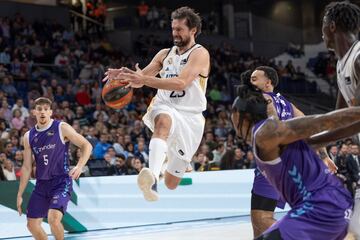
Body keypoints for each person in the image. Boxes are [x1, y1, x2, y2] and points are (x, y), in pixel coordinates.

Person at [105, 7, 210, 201]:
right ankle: (152, 177)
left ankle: (162, 168)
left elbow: (180, 83)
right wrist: (125, 76)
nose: (175, 33)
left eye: (180, 29)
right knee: (162, 121)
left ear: (193, 30)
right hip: (166, 106)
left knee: (171, 183)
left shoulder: (200, 54)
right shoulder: (164, 54)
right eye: (173, 29)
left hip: (191, 117)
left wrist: (143, 80)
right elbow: (140, 78)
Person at [231, 84, 360, 239]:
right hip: (335, 204)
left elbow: (324, 121)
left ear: (238, 114)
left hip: (320, 206)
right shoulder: (275, 138)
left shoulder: (264, 133)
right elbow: (329, 133)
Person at [244, 66, 337, 237]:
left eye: (255, 78)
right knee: (258, 224)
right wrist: (324, 156)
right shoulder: (287, 103)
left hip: (273, 164)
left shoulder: (263, 99)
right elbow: (310, 126)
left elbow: (274, 126)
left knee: (261, 219)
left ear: (268, 83)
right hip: (290, 164)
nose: (251, 81)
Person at [16, 97, 92, 240]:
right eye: (39, 109)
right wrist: (20, 194)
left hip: (61, 181)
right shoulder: (28, 136)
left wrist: (79, 166)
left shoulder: (61, 127)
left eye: (46, 109)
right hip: (41, 185)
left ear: (50, 112)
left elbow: (86, 145)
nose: (43, 112)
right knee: (32, 225)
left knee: (53, 219)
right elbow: (26, 167)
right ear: (34, 112)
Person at [322, 1, 360, 237]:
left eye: (323, 26)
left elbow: (355, 117)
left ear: (332, 26)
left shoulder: (358, 59)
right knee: (355, 228)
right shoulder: (340, 64)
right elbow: (335, 118)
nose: (321, 33)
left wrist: (316, 141)